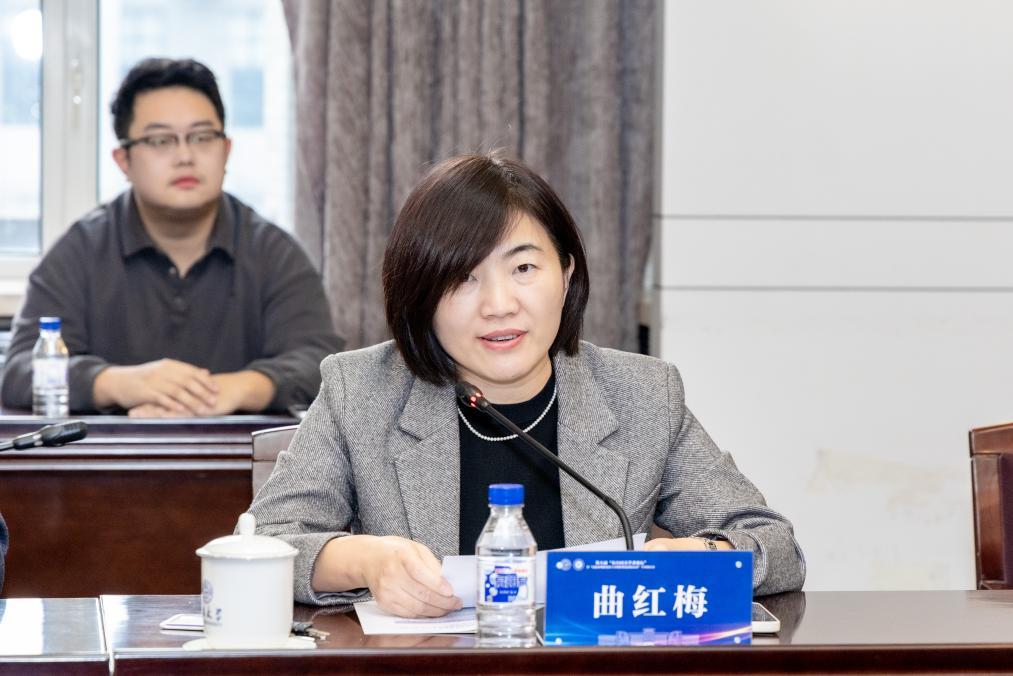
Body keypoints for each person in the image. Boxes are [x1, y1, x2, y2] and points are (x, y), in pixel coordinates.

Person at [248, 152, 806, 618]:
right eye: (463, 278)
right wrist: (364, 560)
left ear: (565, 274)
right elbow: (266, 544)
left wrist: (707, 553)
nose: (499, 305)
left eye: (523, 269)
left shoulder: (643, 394)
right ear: (421, 297)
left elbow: (776, 546)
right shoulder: (360, 391)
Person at [0, 58, 342, 416]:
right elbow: (21, 370)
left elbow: (321, 363)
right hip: (114, 449)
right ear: (123, 160)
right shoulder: (81, 251)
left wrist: (237, 389)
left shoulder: (272, 252)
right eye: (161, 140)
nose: (185, 156)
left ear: (226, 151)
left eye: (202, 137)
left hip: (240, 450)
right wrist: (117, 383)